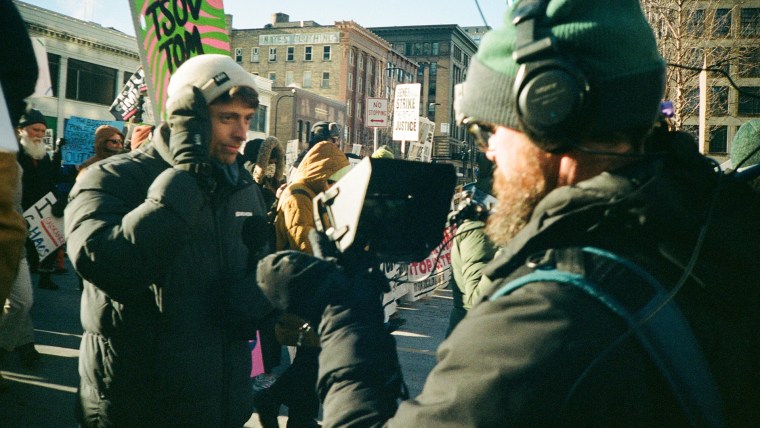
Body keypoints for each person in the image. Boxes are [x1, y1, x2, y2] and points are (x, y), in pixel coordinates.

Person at [256, 0, 760, 426]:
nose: (489, 151)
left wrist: (346, 318)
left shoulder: (544, 323)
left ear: (548, 108)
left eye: (487, 129)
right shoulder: (720, 232)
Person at [65, 54, 276, 426]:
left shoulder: (242, 187)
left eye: (247, 119)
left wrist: (268, 292)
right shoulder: (111, 177)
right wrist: (186, 178)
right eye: (227, 117)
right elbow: (106, 263)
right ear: (187, 117)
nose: (242, 133)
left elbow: (252, 277)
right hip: (142, 406)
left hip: (221, 405)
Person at [254, 139, 349, 428]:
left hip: (310, 288)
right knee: (313, 359)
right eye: (333, 177)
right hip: (299, 290)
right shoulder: (299, 196)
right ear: (322, 173)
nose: (336, 184)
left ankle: (299, 417)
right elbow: (305, 244)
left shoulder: (315, 196)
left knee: (312, 360)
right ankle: (275, 401)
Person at [17, 108, 62, 291]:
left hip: (42, 207)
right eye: (35, 130)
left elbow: (51, 178)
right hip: (20, 209)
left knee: (51, 241)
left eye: (43, 131)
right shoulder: (12, 154)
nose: (40, 135)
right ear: (21, 130)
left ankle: (45, 277)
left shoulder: (43, 155)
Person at [445, 183, 497, 336]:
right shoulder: (479, 230)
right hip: (475, 332)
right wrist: (509, 252)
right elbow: (476, 297)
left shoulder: (488, 228)